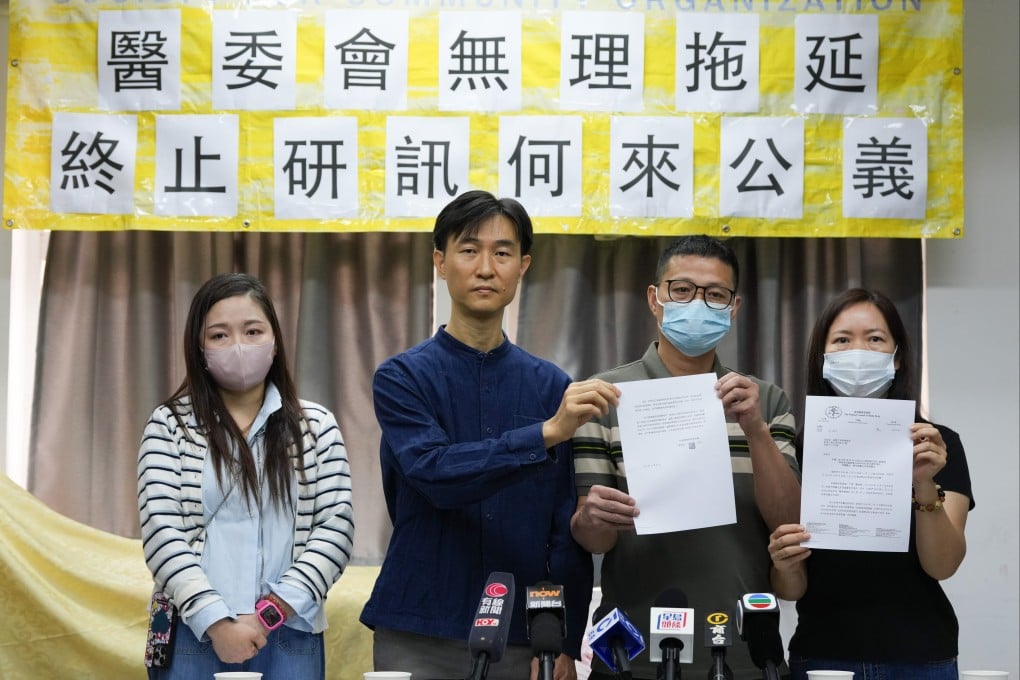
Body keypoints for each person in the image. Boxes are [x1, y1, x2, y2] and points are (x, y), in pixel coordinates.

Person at [359, 190, 619, 680]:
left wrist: (564, 641)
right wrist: (544, 434)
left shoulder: (552, 386)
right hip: (419, 627)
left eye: (502, 253)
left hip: (525, 636)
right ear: (439, 261)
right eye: (468, 249)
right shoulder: (401, 378)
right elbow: (435, 473)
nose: (485, 268)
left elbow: (566, 527)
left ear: (523, 266)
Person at [570, 235, 802, 679]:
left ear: (733, 309)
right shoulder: (604, 396)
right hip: (631, 653)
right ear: (654, 299)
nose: (698, 303)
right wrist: (594, 517)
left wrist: (753, 427)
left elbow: (788, 520)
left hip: (743, 651)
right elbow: (592, 538)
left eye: (715, 294)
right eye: (682, 290)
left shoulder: (766, 401)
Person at [137, 273, 355, 680]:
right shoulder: (169, 424)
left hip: (289, 632)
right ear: (199, 349)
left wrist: (267, 616)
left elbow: (335, 530)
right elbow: (161, 532)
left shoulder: (315, 425)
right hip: (191, 633)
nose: (238, 345)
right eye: (219, 335)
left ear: (274, 342)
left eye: (253, 331)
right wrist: (217, 622)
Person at [768, 288, 974, 679]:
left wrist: (925, 483)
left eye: (875, 339)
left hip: (920, 656)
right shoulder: (798, 448)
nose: (857, 352)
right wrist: (783, 561)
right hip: (823, 655)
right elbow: (791, 589)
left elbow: (943, 565)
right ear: (823, 359)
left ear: (897, 358)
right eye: (842, 340)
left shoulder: (935, 445)